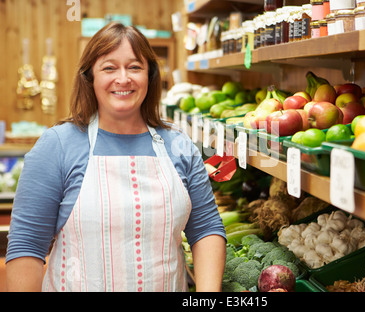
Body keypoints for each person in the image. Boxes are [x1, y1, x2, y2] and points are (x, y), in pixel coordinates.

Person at [5, 22, 226, 292]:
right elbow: (27, 245)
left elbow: (205, 229)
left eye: (135, 67)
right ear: (90, 78)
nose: (123, 79)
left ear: (150, 75)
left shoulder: (179, 145)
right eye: (109, 68)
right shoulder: (58, 145)